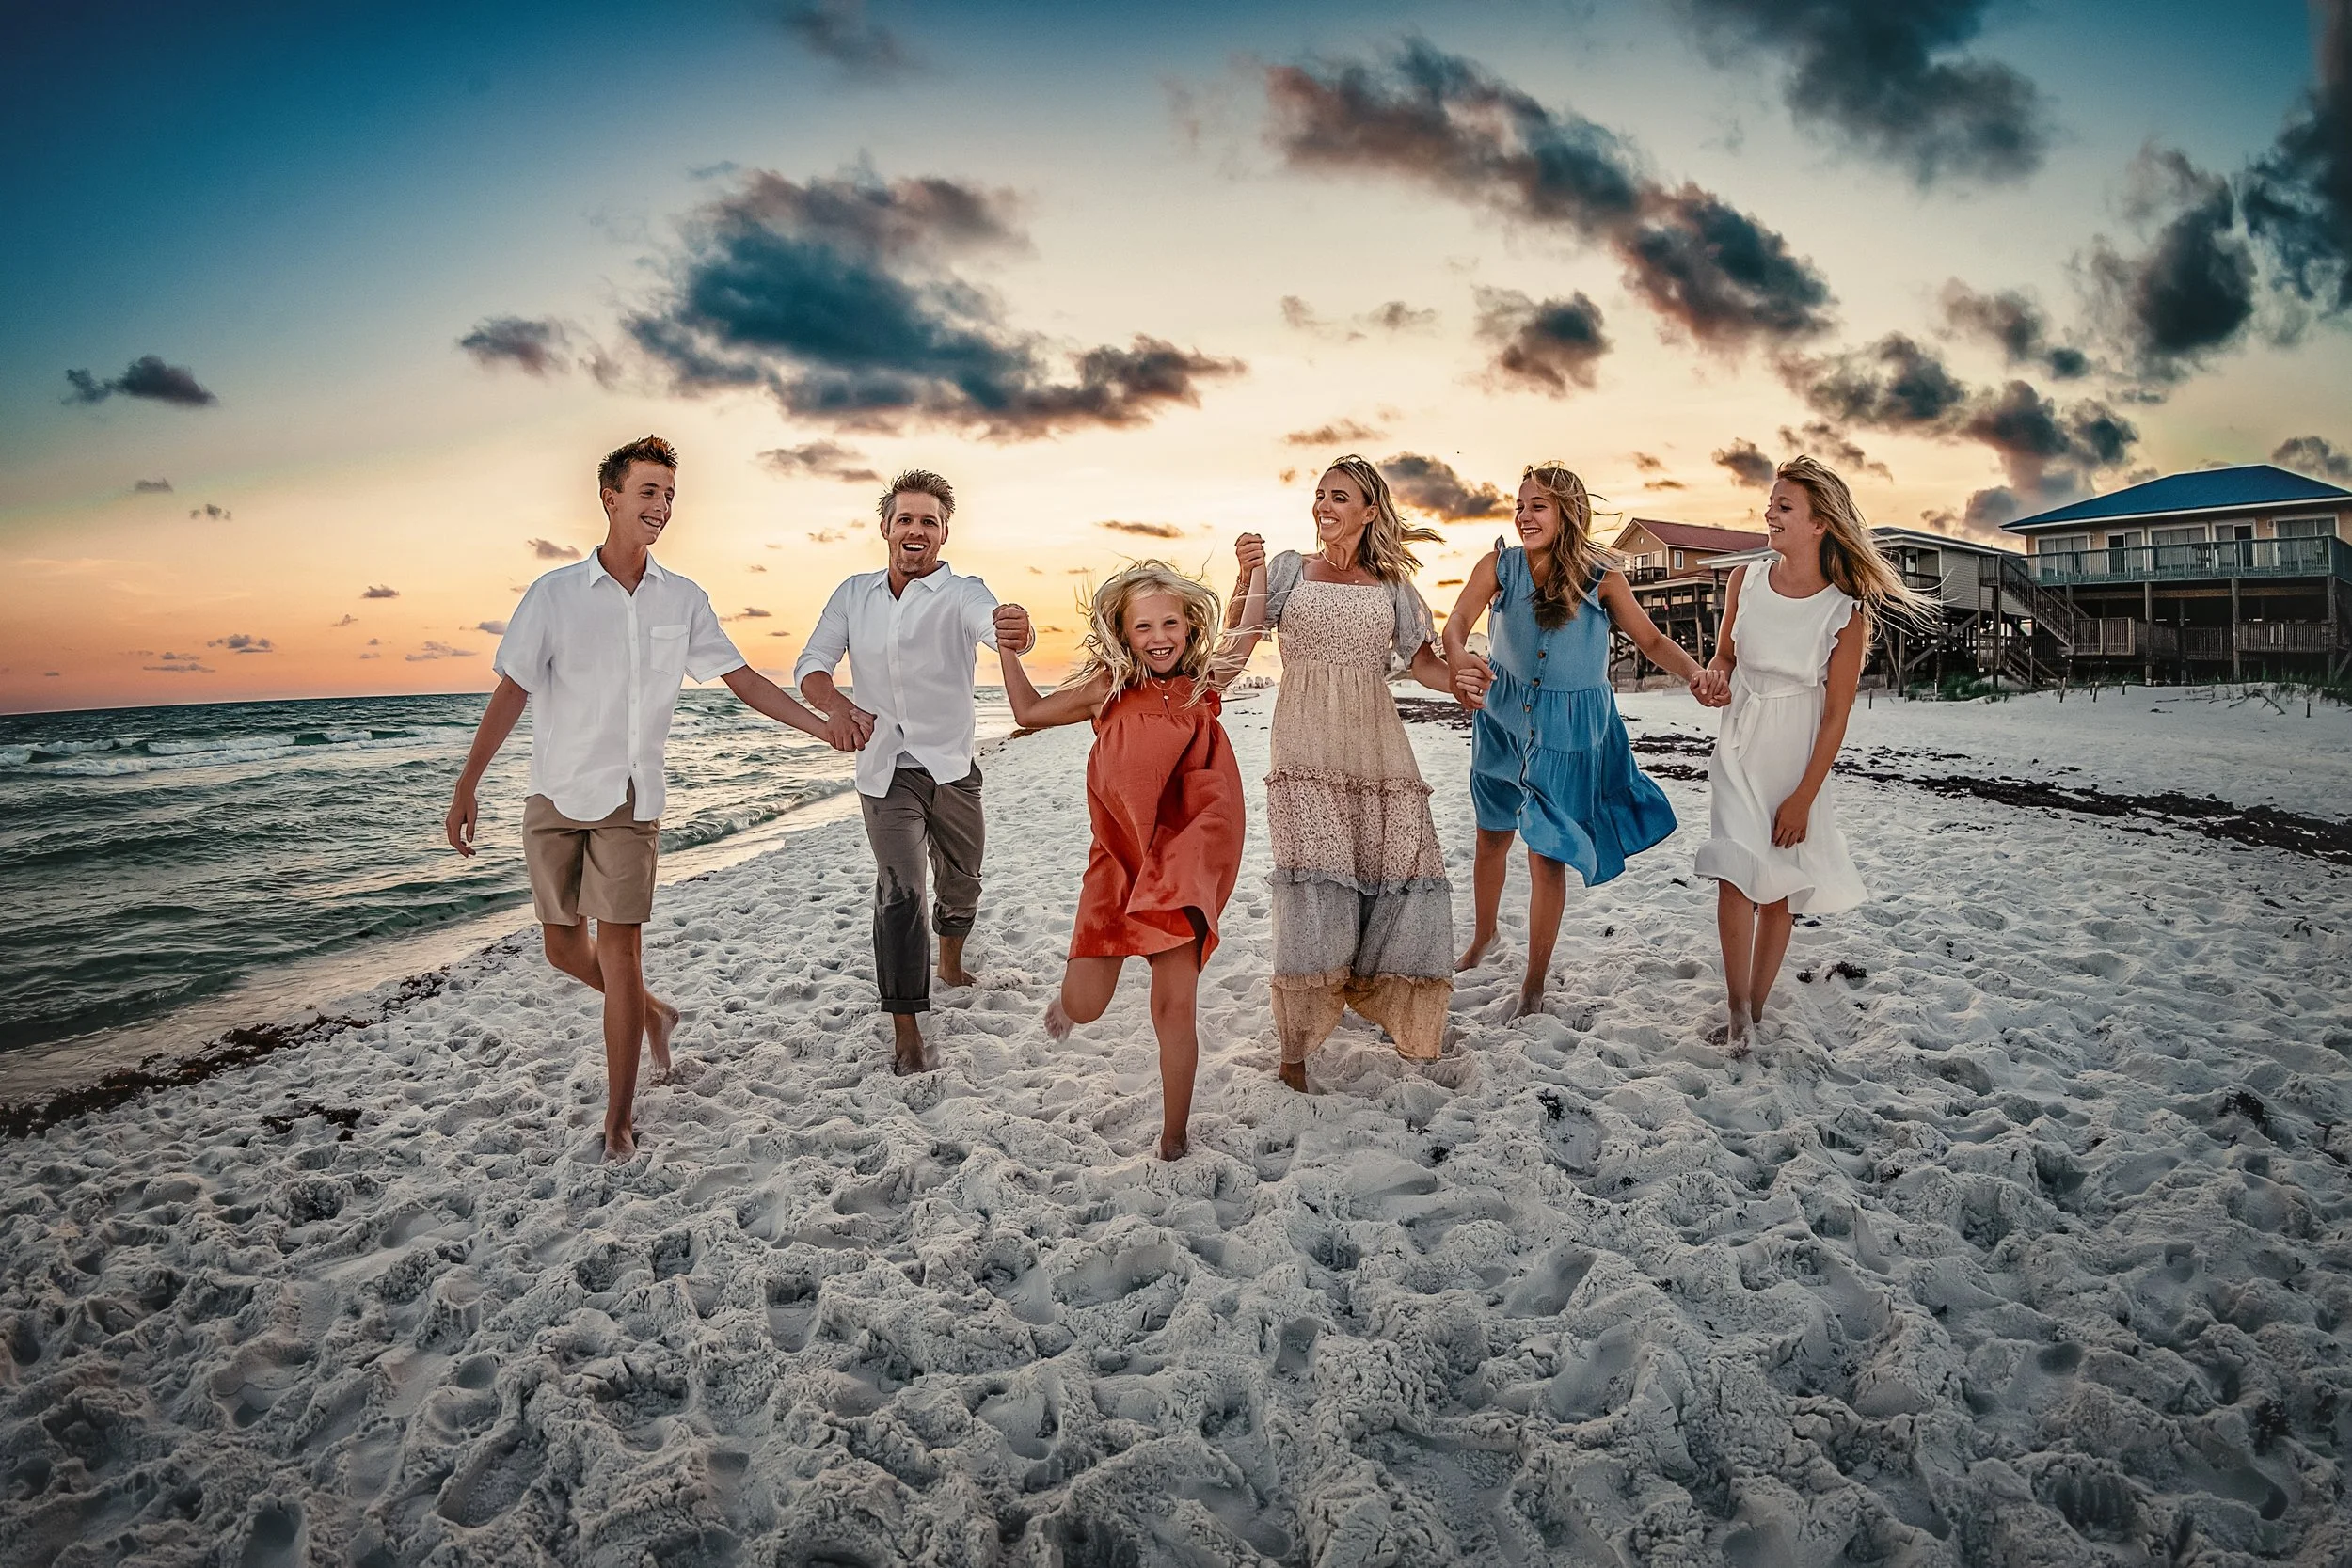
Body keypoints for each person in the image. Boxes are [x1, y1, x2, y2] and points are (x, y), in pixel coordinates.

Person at [444, 435, 842, 1161]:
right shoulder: (554, 595)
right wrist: (467, 782)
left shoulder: (683, 599)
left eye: (669, 495)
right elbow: (512, 690)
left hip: (632, 801)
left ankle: (619, 1117)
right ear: (611, 497)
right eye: (648, 492)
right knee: (564, 948)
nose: (661, 506)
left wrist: (819, 727)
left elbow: (743, 679)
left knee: (622, 952)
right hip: (556, 793)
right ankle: (654, 1014)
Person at [1444, 463, 1709, 1017]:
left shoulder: (1602, 577)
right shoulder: (1500, 566)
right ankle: (1484, 936)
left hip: (1569, 732)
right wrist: (1459, 657)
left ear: (1569, 513)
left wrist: (1694, 673)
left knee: (1547, 854)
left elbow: (1651, 641)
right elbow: (1457, 623)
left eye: (1538, 506)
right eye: (1519, 506)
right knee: (1492, 836)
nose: (1524, 516)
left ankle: (1534, 982)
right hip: (1502, 719)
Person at [1692, 454, 1934, 1050]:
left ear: (1820, 522)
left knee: (1777, 889)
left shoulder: (1844, 609)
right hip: (1740, 739)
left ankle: (1756, 1005)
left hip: (1796, 751)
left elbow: (1836, 714)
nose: (1768, 514)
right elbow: (1725, 654)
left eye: (1784, 506)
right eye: (1770, 503)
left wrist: (1803, 797)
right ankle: (1737, 1014)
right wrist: (1717, 675)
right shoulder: (1744, 580)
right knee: (1733, 872)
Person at [1231, 455, 1457, 1086]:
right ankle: (1295, 1053)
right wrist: (1247, 573)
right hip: (1304, 747)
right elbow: (1238, 640)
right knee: (1312, 885)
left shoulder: (1393, 586)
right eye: (1320, 494)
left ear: (1368, 511)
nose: (1324, 506)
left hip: (1376, 743)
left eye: (1339, 496)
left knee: (1397, 867)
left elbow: (1423, 664)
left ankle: (1397, 1012)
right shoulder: (1288, 570)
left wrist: (1467, 684)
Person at [796, 468, 1024, 1077]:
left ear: (944, 532)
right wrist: (836, 707)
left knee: (962, 879)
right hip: (884, 771)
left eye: (929, 520)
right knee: (901, 890)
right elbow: (812, 665)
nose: (915, 529)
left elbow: (993, 623)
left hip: (951, 767)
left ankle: (950, 962)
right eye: (905, 518)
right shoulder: (853, 595)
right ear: (885, 527)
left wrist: (1014, 630)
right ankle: (907, 1029)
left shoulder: (963, 592)